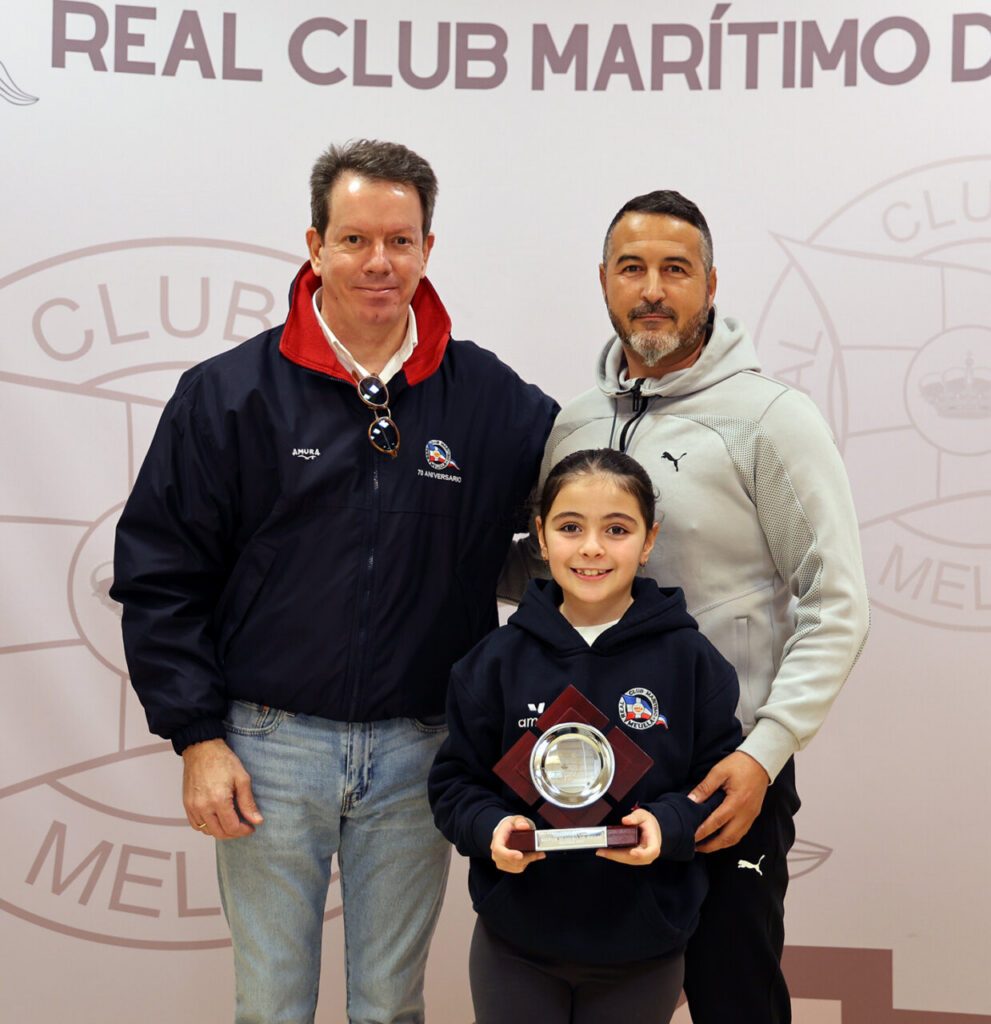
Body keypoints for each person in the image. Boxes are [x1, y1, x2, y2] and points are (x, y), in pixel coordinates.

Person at [110, 139, 558, 1024]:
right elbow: (161, 573)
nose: (378, 262)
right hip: (266, 748)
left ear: (427, 249)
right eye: (355, 239)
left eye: (399, 240)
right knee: (271, 1005)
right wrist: (197, 737)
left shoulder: (490, 399)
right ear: (315, 246)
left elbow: (585, 505)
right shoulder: (228, 394)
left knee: (389, 1008)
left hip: (422, 747)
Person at [518, 191, 870, 1023]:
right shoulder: (575, 423)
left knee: (732, 998)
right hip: (590, 768)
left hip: (723, 772)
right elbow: (553, 570)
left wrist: (763, 754)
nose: (651, 289)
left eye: (674, 270)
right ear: (603, 280)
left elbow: (836, 602)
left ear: (710, 285)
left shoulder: (770, 420)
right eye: (631, 268)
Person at [430, 449, 742, 1024]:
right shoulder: (494, 661)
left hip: (643, 946)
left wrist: (667, 824)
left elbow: (718, 786)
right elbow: (455, 784)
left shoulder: (692, 661)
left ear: (648, 541)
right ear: (541, 538)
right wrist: (491, 827)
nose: (592, 548)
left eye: (616, 529)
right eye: (570, 527)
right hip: (515, 944)